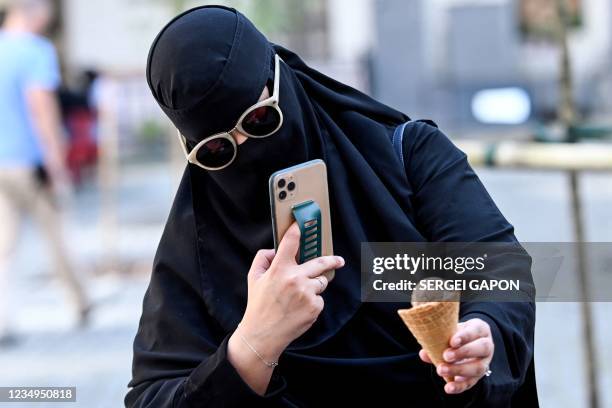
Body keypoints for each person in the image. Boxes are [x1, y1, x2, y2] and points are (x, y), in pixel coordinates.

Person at [126, 5, 538, 407]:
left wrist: (484, 336)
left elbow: (499, 269)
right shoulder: (197, 243)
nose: (247, 151)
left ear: (282, 80)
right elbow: (152, 394)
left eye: (258, 121)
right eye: (217, 150)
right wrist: (255, 341)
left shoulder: (405, 157)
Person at [0, 0, 90, 345]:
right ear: (31, 9)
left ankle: (3, 318)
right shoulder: (37, 52)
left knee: (4, 244)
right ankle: (79, 301)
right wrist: (57, 163)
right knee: (56, 233)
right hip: (31, 163)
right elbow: (43, 110)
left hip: (2, 162)